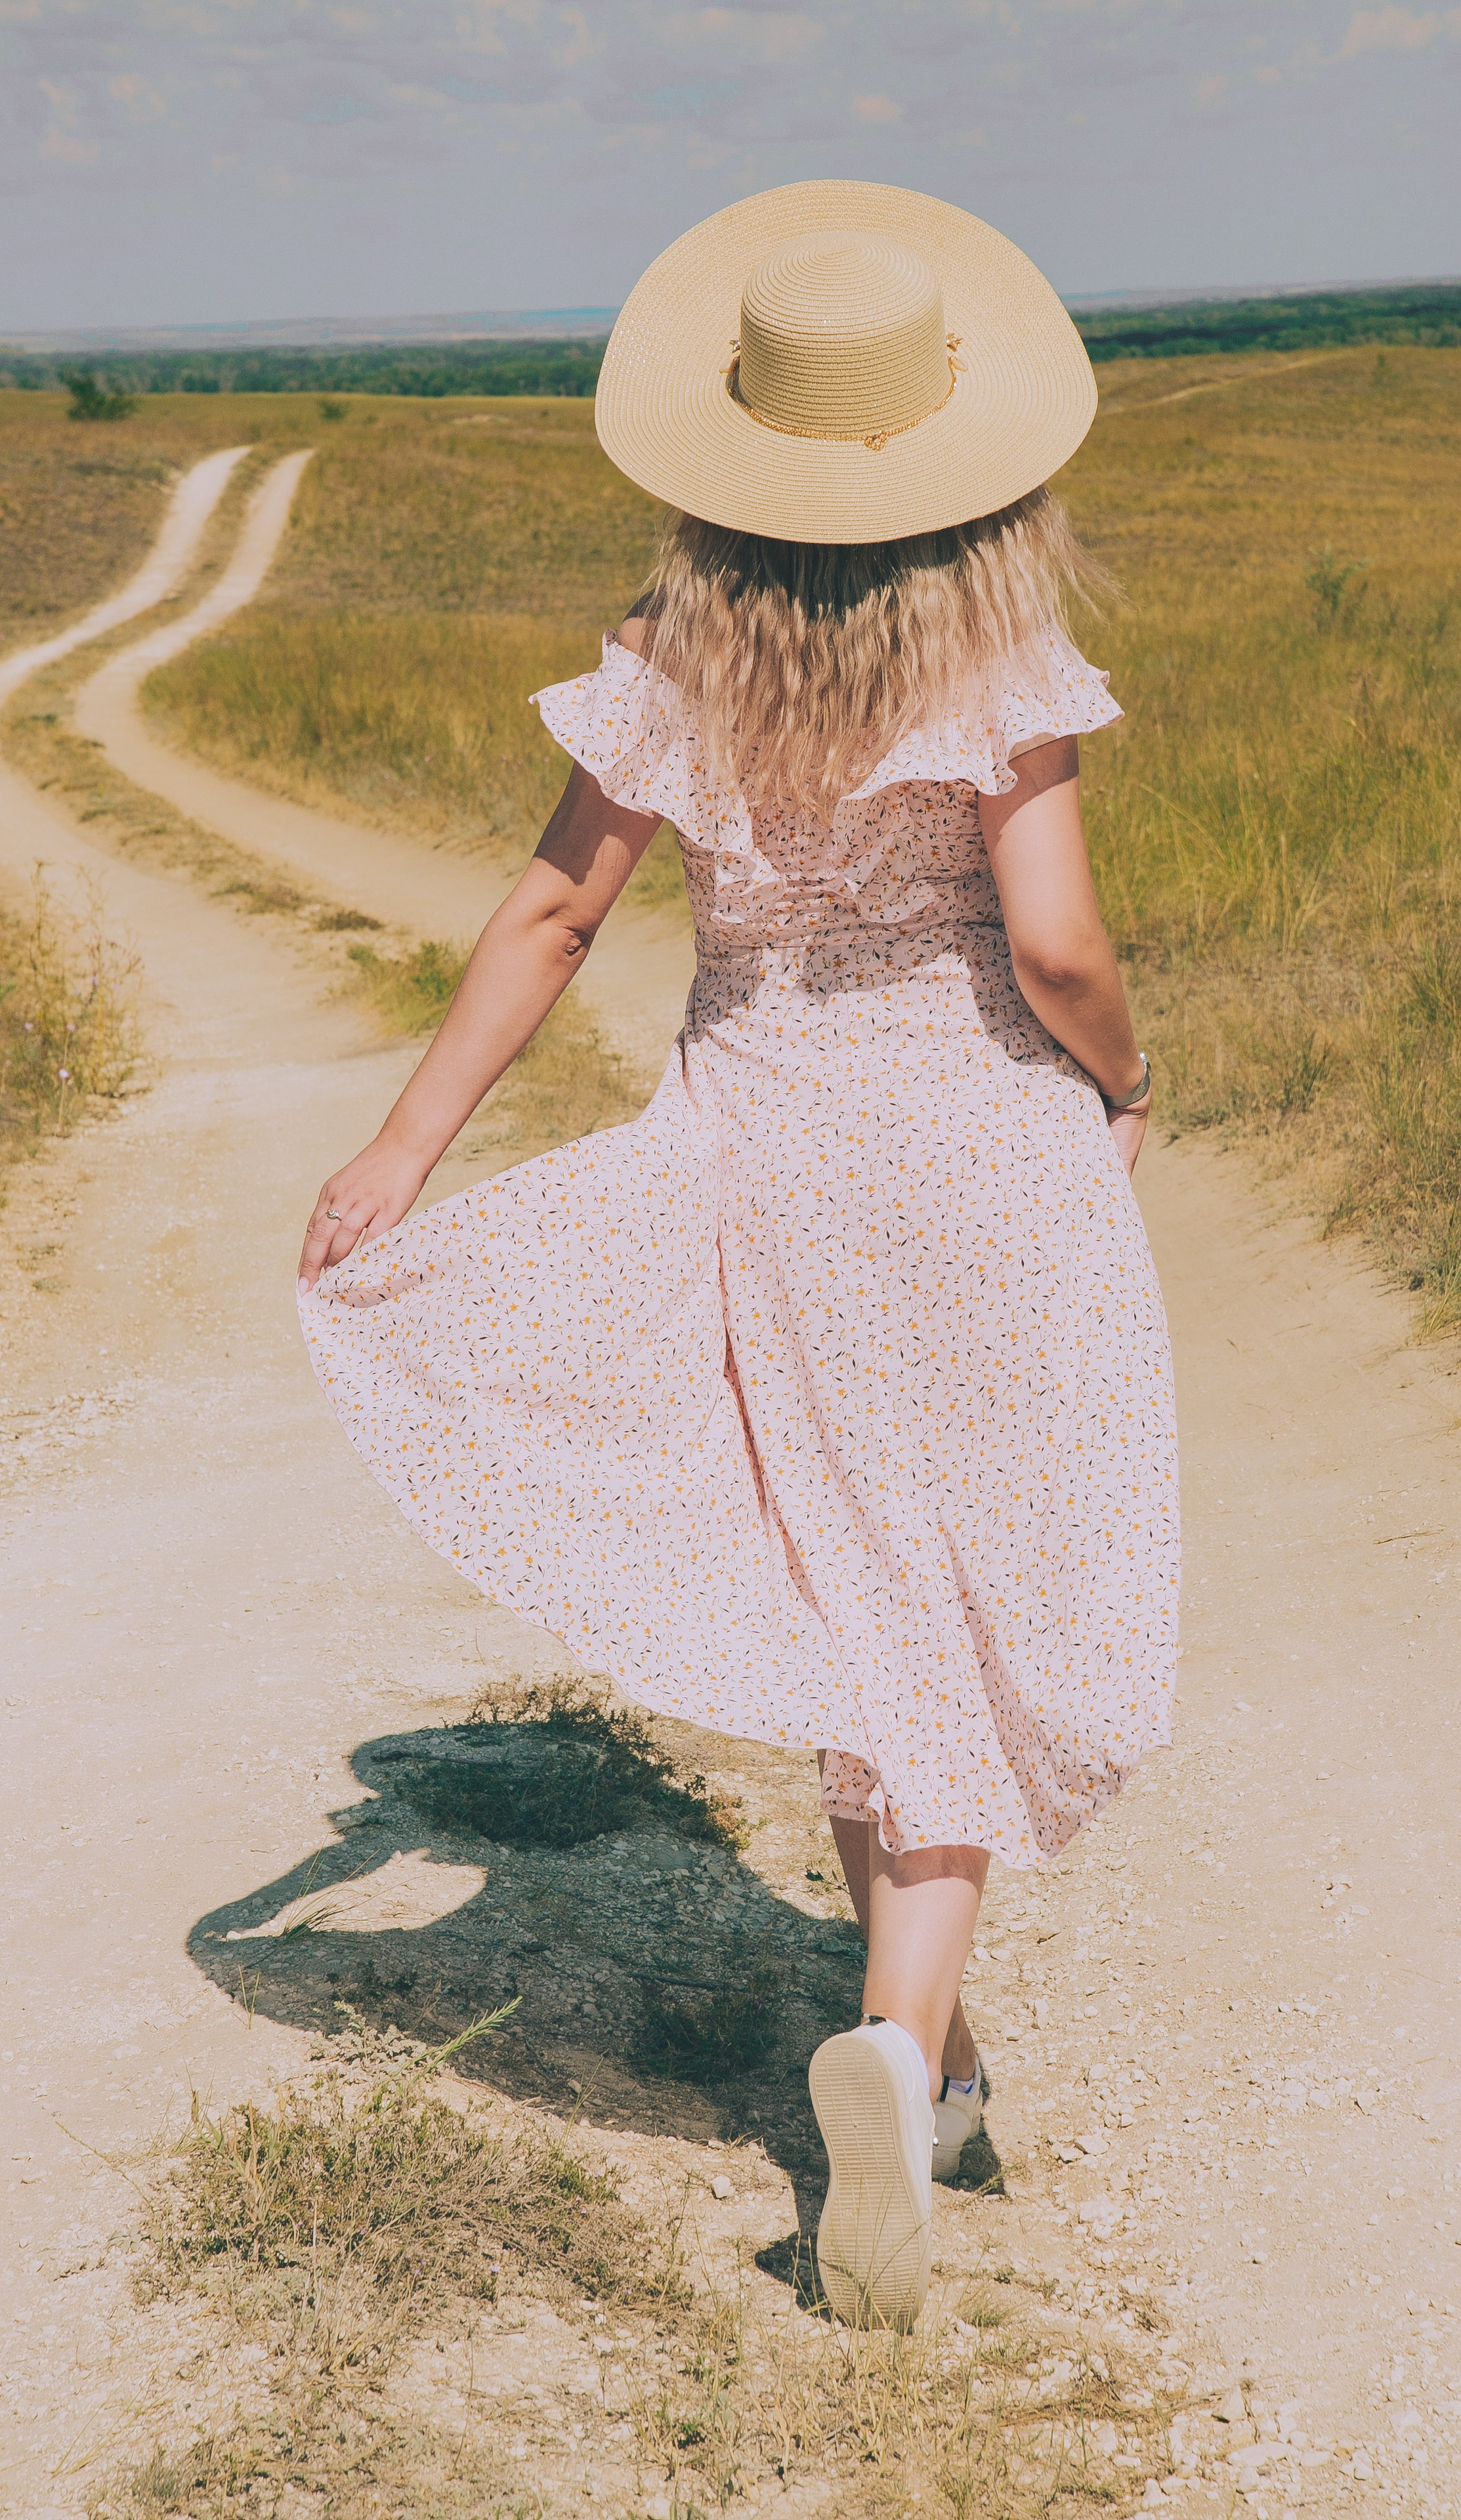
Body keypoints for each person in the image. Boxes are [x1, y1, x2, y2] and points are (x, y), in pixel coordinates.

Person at [297, 180, 1178, 2332]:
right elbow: (1053, 941)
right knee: (966, 1594)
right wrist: (1130, 1078)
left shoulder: (671, 653)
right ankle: (893, 2053)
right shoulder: (998, 651)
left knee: (862, 1588)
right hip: (979, 1154)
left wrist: (406, 1149)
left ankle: (929, 2061)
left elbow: (553, 915)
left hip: (767, 1162)